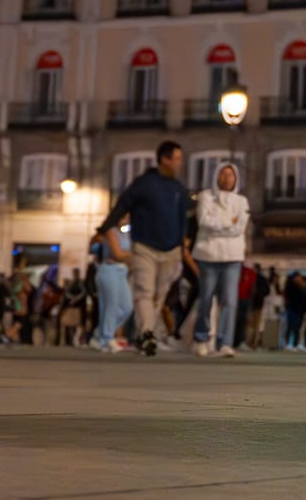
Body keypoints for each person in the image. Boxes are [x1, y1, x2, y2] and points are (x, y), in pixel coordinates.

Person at [98, 141, 191, 357]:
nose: (180, 163)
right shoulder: (144, 184)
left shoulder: (178, 189)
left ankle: (147, 332)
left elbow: (183, 218)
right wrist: (104, 227)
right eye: (177, 158)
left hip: (170, 250)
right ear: (164, 159)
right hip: (144, 247)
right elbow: (122, 205)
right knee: (144, 291)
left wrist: (181, 244)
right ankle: (147, 333)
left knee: (159, 294)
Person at [192, 161, 249, 357]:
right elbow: (204, 221)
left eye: (230, 175)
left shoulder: (242, 201)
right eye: (223, 174)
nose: (227, 178)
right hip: (209, 255)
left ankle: (225, 342)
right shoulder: (206, 196)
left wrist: (219, 225)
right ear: (217, 176)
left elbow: (239, 227)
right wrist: (228, 224)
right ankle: (201, 337)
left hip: (232, 257)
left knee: (230, 300)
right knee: (206, 298)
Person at [90, 240, 132, 351]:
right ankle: (107, 338)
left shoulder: (126, 234)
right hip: (109, 269)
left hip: (122, 270)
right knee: (110, 307)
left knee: (126, 308)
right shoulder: (109, 232)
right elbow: (117, 254)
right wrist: (130, 254)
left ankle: (99, 334)